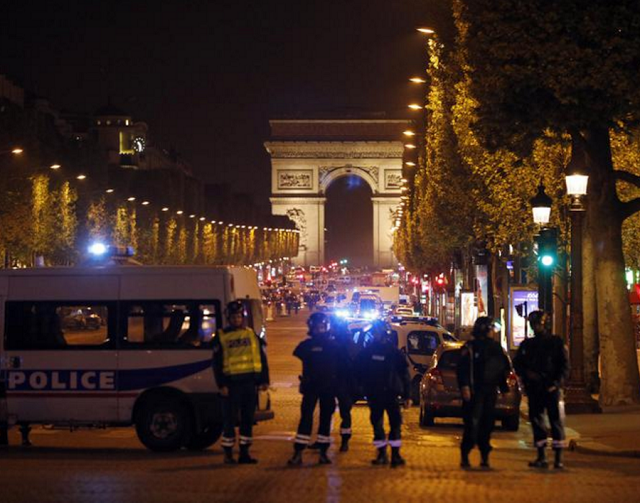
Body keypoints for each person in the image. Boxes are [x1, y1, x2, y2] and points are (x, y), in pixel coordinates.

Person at [212, 300, 270, 464]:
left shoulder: (251, 334)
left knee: (247, 421)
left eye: (238, 316)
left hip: (249, 384)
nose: (236, 319)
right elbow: (216, 364)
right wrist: (221, 385)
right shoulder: (221, 337)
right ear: (228, 318)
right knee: (229, 421)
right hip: (231, 385)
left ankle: (244, 453)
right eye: (233, 317)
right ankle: (228, 454)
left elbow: (261, 358)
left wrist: (264, 380)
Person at [513, 310, 570, 469]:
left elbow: (564, 366)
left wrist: (556, 383)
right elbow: (518, 364)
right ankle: (542, 455)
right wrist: (527, 376)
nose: (536, 327)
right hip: (535, 389)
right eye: (534, 324)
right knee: (537, 423)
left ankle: (558, 458)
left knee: (555, 423)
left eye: (538, 324)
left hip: (551, 388)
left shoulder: (556, 343)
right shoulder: (528, 344)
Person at [288, 312, 343, 466]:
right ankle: (298, 452)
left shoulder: (331, 347)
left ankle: (323, 453)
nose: (320, 330)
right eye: (317, 327)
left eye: (322, 327)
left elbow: (343, 368)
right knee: (306, 420)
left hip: (327, 388)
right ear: (312, 328)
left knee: (325, 421)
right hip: (312, 387)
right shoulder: (308, 346)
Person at [457, 316, 511, 469]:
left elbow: (500, 369)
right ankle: (465, 455)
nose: (493, 332)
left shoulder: (495, 348)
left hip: (489, 392)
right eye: (491, 329)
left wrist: (504, 387)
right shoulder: (470, 347)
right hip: (475, 392)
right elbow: (462, 368)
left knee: (487, 424)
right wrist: (465, 386)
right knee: (471, 424)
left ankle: (484, 457)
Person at [357, 320, 411, 467]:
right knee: (377, 424)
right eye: (374, 332)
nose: (376, 335)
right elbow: (359, 371)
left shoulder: (393, 352)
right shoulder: (369, 351)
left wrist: (407, 395)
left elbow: (404, 374)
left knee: (395, 425)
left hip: (390, 394)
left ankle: (395, 455)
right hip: (375, 394)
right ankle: (382, 454)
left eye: (377, 332)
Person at [331, 315, 358, 452]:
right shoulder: (350, 342)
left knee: (334, 412)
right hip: (344, 384)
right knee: (343, 414)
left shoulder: (339, 344)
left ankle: (344, 440)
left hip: (340, 383)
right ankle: (344, 441)